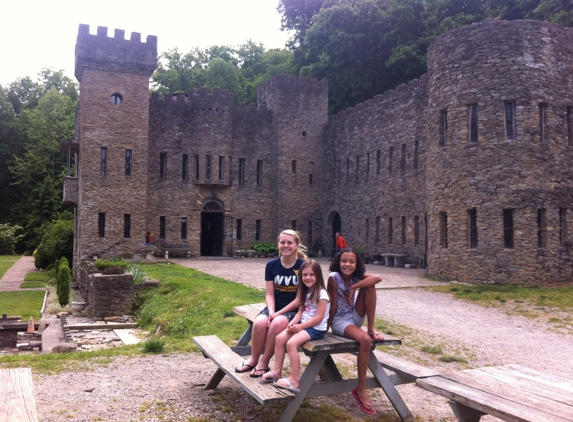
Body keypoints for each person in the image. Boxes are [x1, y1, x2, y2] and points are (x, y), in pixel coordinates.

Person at [234, 229, 308, 378]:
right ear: (278, 244)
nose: (285, 245)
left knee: (276, 324)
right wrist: (272, 311)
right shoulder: (272, 265)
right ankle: (253, 359)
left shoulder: (303, 266)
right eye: (282, 242)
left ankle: (264, 361)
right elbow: (269, 293)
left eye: (289, 242)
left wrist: (277, 314)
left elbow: (300, 299)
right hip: (275, 307)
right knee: (259, 323)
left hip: (293, 310)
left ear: (296, 245)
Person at [327, 247, 383, 415]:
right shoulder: (333, 278)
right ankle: (361, 388)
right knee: (365, 340)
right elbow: (333, 305)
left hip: (354, 317)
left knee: (370, 286)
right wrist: (326, 328)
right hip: (339, 321)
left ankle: (371, 327)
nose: (348, 264)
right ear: (338, 262)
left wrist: (354, 287)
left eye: (352, 262)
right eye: (344, 261)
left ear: (357, 264)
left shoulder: (355, 277)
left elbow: (377, 277)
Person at [261, 259, 330, 392]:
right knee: (280, 338)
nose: (308, 278)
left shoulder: (322, 294)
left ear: (318, 276)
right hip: (303, 325)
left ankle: (294, 380)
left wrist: (301, 327)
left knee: (291, 344)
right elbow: (300, 312)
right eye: (305, 275)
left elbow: (319, 318)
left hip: (316, 328)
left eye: (311, 275)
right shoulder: (303, 291)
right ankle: (276, 372)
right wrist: (293, 323)